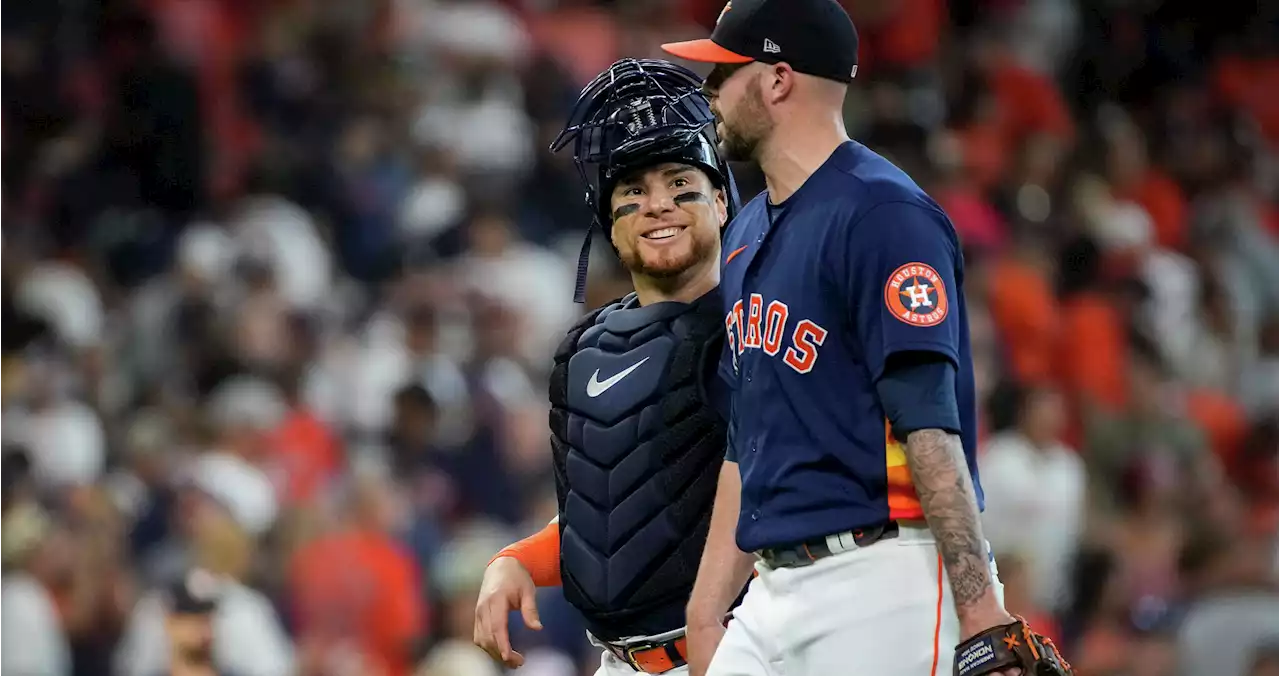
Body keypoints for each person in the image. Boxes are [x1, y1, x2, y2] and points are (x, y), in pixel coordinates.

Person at [659, 1, 1071, 675]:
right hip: (771, 589)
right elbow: (747, 434)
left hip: (884, 578)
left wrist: (977, 608)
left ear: (777, 80)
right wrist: (706, 609)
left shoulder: (882, 213)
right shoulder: (743, 233)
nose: (709, 94)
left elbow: (930, 422)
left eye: (723, 74)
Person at [471, 58, 741, 675]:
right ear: (608, 223)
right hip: (617, 663)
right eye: (634, 192)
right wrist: (515, 560)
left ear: (722, 201)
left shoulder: (756, 322)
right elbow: (615, 511)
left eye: (680, 183)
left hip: (739, 647)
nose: (658, 205)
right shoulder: (586, 348)